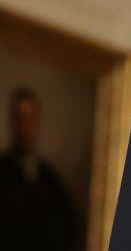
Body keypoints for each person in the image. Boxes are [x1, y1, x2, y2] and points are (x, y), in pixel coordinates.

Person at [0, 87, 77, 250]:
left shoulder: (50, 177)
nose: (24, 126)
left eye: (29, 118)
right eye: (20, 118)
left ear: (36, 122)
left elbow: (68, 226)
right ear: (12, 122)